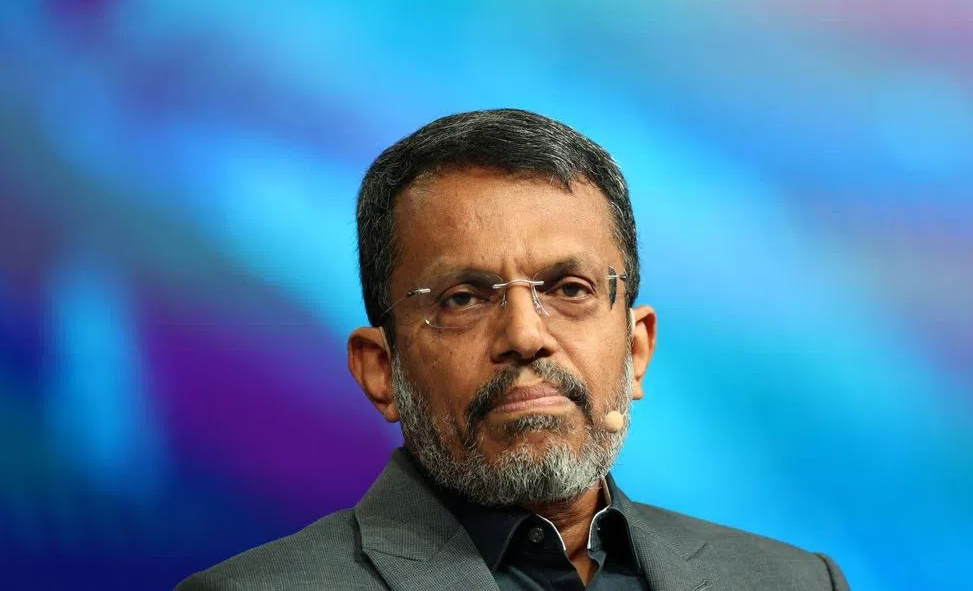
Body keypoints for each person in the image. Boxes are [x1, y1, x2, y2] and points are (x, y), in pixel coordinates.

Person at [177, 109, 849, 591]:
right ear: (381, 371)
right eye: (463, 298)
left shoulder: (794, 581)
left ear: (636, 350)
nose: (526, 335)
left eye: (569, 288)